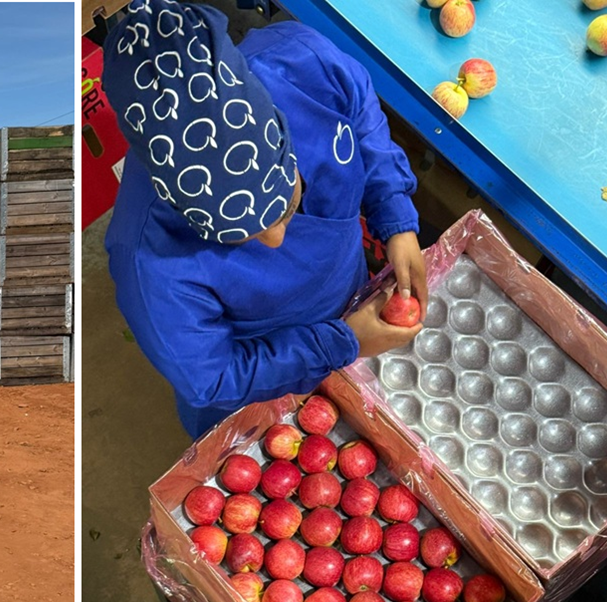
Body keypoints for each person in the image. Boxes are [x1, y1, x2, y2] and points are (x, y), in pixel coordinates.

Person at [103, 0, 426, 439]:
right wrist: (338, 343)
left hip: (351, 295)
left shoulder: (303, 64)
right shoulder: (149, 261)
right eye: (241, 239)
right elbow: (213, 377)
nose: (275, 241)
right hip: (265, 376)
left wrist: (395, 216)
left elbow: (362, 117)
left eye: (287, 208)